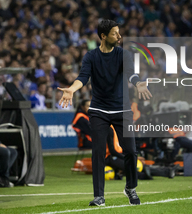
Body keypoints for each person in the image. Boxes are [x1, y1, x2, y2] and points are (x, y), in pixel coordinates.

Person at [58, 19, 152, 206]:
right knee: (98, 152)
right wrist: (72, 89)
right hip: (99, 110)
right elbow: (83, 77)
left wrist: (137, 83)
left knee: (131, 151)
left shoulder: (123, 55)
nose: (119, 36)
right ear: (103, 36)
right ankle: (99, 196)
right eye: (115, 33)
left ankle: (130, 188)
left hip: (122, 109)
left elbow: (131, 74)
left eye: (119, 32)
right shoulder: (91, 56)